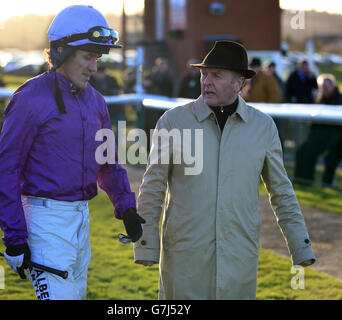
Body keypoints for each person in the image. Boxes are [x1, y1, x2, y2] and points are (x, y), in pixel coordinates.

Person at [133, 41, 315, 300]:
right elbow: (152, 187)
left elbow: (282, 192)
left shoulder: (263, 127)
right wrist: (146, 245)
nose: (206, 81)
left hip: (239, 260)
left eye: (216, 75)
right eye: (204, 74)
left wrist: (301, 247)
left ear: (240, 83)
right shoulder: (173, 121)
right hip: (185, 260)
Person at [0, 5, 145, 300]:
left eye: (97, 58)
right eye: (87, 57)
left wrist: (127, 208)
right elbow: (4, 171)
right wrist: (15, 237)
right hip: (44, 222)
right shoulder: (29, 99)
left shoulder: (96, 101)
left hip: (80, 221)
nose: (94, 67)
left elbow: (108, 163)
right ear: (60, 53)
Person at [294, 74, 342, 186]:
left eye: (326, 87)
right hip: (317, 136)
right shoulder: (319, 99)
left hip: (333, 137)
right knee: (301, 151)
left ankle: (313, 182)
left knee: (312, 152)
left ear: (333, 86)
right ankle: (302, 181)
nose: (324, 90)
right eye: (322, 87)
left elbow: (337, 120)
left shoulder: (340, 99)